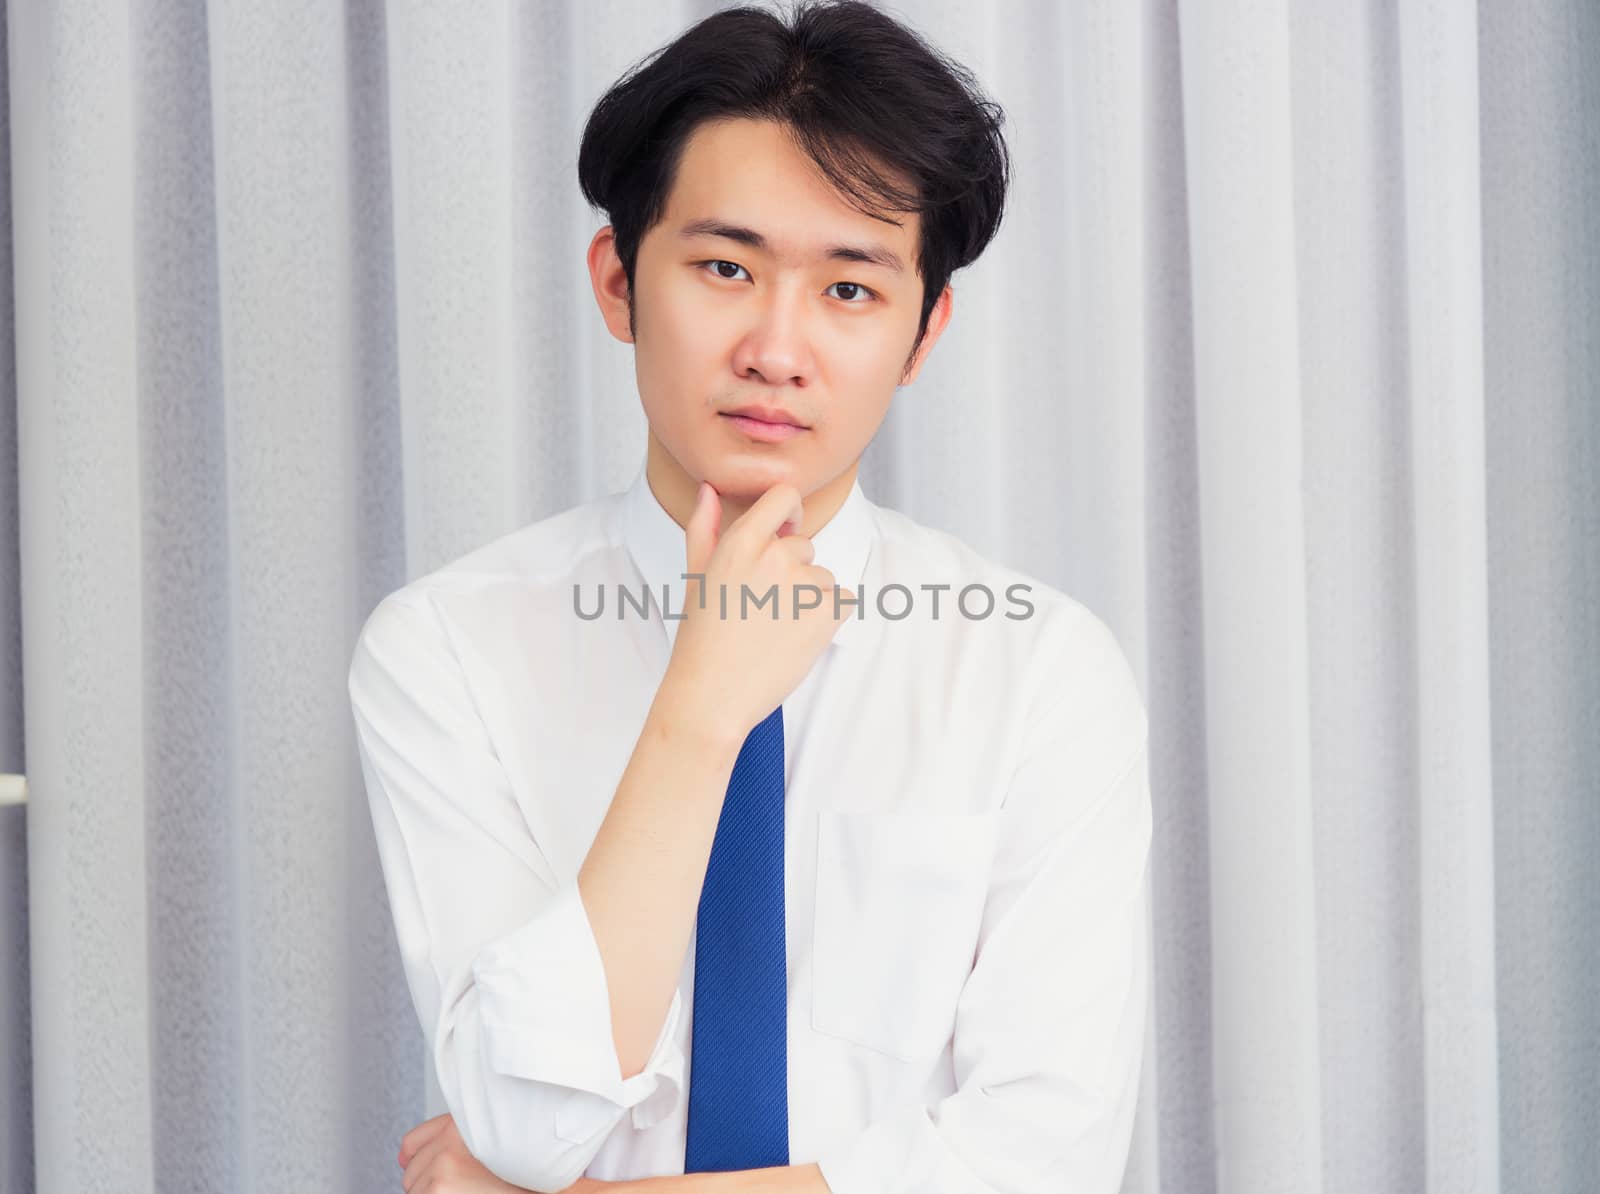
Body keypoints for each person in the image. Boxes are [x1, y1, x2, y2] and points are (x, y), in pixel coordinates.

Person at [347, 3, 1151, 1191]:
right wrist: (702, 708)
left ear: (923, 332)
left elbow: (1042, 1157)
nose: (777, 349)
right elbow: (525, 1118)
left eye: (849, 291)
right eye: (725, 268)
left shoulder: (1039, 670)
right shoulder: (447, 648)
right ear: (618, 283)